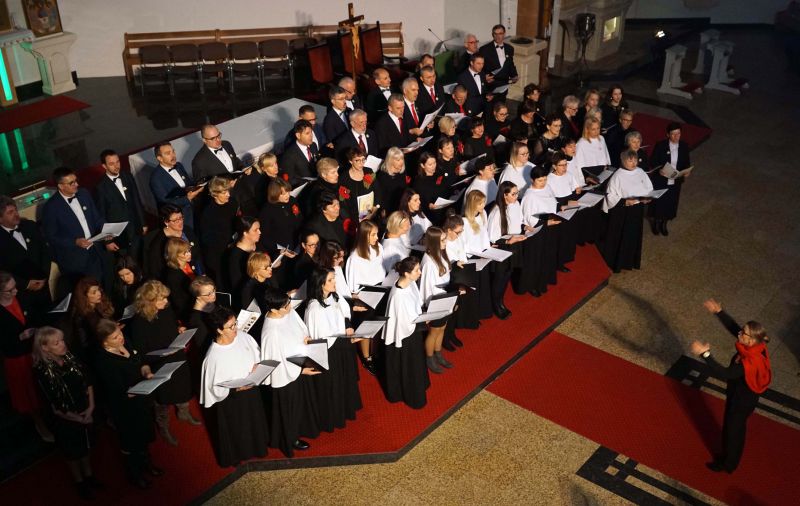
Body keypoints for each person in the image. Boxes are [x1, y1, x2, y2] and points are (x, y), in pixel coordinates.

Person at [691, 299, 772, 474]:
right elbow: (734, 328)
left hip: (742, 400)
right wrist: (719, 312)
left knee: (733, 431)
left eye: (744, 332)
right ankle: (729, 457)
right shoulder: (756, 345)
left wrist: (705, 354)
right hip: (740, 392)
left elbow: (724, 373)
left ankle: (728, 464)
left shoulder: (749, 362)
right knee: (734, 427)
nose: (739, 333)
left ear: (751, 340)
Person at [91, 319, 161, 490]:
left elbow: (140, 361)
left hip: (141, 400)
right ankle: (135, 475)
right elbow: (116, 391)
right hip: (125, 408)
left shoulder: (126, 341)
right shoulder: (103, 361)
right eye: (115, 337)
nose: (120, 338)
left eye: (120, 333)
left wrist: (147, 373)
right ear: (104, 342)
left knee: (144, 434)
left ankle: (147, 464)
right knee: (131, 442)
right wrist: (140, 388)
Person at [130, 280, 199, 446]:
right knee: (161, 399)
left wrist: (179, 330)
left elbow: (172, 325)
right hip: (158, 363)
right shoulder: (138, 321)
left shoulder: (166, 309)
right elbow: (140, 350)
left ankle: (183, 412)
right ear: (149, 301)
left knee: (183, 386)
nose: (166, 301)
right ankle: (164, 427)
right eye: (161, 299)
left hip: (177, 355)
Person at [32, 327, 98, 500]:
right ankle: (80, 482)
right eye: (57, 343)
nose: (63, 344)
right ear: (45, 347)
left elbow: (88, 381)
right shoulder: (42, 371)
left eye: (62, 340)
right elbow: (55, 406)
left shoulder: (70, 357)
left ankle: (89, 476)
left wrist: (91, 407)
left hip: (84, 411)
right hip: (65, 419)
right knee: (72, 453)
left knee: (86, 446)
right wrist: (80, 419)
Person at [200, 306, 270, 467]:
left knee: (254, 422)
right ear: (219, 330)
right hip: (232, 400)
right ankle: (237, 456)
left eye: (236, 323)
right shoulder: (213, 357)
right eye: (231, 327)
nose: (236, 328)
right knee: (238, 429)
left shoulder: (244, 337)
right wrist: (234, 388)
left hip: (251, 392)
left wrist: (258, 365)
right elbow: (213, 388)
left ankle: (258, 448)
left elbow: (258, 355)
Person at [260, 289, 321, 457]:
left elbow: (299, 328)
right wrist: (300, 370)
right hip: (287, 376)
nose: (289, 307)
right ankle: (290, 439)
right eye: (285, 306)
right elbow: (277, 362)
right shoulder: (271, 332)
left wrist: (306, 338)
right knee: (289, 411)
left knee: (301, 404)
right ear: (273, 309)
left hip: (300, 364)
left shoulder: (286, 311)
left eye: (288, 303)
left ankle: (303, 428)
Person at [304, 267, 362, 431]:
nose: (334, 282)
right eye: (330, 280)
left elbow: (344, 314)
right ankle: (334, 417)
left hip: (342, 346)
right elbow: (318, 337)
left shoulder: (334, 296)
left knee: (345, 380)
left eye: (334, 278)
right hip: (330, 352)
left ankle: (346, 410)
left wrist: (348, 327)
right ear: (320, 283)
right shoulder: (314, 308)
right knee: (333, 386)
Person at [41, 167, 115, 290]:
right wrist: (74, 242)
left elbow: (97, 218)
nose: (77, 184)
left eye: (76, 180)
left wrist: (106, 230)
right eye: (72, 183)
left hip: (95, 251)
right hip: (74, 260)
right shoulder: (51, 207)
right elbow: (51, 237)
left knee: (104, 286)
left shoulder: (84, 194)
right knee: (84, 293)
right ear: (61, 186)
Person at [0, 272, 53, 442]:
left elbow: (35, 316)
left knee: (43, 389)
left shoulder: (21, 297)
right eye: (10, 290)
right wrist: (19, 337)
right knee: (29, 397)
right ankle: (40, 424)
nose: (15, 291)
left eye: (15, 287)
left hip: (34, 351)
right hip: (17, 358)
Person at [383, 256, 430, 408]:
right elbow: (404, 324)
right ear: (407, 273)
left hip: (414, 331)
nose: (420, 273)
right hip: (406, 336)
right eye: (417, 270)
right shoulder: (398, 295)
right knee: (410, 367)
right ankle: (413, 396)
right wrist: (423, 320)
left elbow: (416, 305)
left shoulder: (410, 284)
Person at [601, 150, 653, 272]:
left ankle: (630, 261)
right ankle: (617, 264)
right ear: (623, 161)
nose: (634, 163)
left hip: (637, 210)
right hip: (622, 212)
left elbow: (649, 188)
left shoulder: (640, 172)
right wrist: (624, 202)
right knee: (621, 237)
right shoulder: (617, 176)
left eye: (635, 160)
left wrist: (647, 198)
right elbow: (610, 196)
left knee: (633, 236)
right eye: (630, 161)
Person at [345, 220, 386, 375]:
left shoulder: (378, 247)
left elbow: (382, 268)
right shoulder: (354, 257)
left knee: (378, 324)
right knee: (366, 328)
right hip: (364, 295)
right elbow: (352, 284)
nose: (377, 237)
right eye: (373, 235)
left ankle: (376, 352)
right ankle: (367, 358)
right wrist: (357, 299)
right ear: (364, 236)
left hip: (380, 289)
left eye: (377, 234)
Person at [0, 195, 52, 313]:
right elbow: (2, 271)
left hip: (43, 287)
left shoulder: (30, 225)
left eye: (16, 210)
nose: (16, 214)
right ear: (0, 219)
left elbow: (45, 251)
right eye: (10, 212)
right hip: (21, 293)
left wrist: (44, 277)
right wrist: (26, 284)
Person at [93, 149, 147, 258]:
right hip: (120, 236)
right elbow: (101, 216)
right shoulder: (101, 187)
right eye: (111, 164)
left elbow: (136, 199)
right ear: (104, 166)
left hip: (136, 229)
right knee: (125, 263)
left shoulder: (127, 176)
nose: (116, 166)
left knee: (142, 258)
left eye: (117, 162)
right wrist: (108, 241)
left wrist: (143, 223)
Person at [487, 182, 527, 318]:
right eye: (513, 194)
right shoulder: (496, 211)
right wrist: (508, 241)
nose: (516, 196)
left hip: (514, 243)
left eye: (517, 193)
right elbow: (492, 237)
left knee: (507, 274)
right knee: (499, 278)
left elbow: (519, 221)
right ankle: (496, 304)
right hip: (502, 247)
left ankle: (500, 301)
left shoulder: (516, 204)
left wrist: (525, 228)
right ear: (505, 195)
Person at [419, 227, 456, 373]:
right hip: (435, 301)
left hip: (445, 297)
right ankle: (429, 358)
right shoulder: (429, 262)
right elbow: (426, 287)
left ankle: (438, 353)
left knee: (442, 328)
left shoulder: (440, 253)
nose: (446, 241)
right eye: (442, 240)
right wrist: (429, 308)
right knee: (434, 331)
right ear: (434, 242)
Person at [649, 122, 691, 236]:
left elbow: (686, 163)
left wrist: (687, 172)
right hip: (661, 179)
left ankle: (664, 223)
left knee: (670, 203)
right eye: (673, 134)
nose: (676, 136)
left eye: (678, 133)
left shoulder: (684, 146)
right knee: (659, 202)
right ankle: (656, 222)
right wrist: (659, 170)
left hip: (675, 181)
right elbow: (653, 161)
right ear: (668, 135)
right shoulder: (661, 145)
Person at [149, 142, 202, 230]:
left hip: (194, 210)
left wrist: (197, 186)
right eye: (168, 153)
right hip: (180, 219)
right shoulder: (156, 179)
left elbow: (188, 184)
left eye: (173, 151)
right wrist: (187, 198)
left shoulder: (179, 165)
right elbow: (165, 203)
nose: (173, 155)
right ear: (160, 158)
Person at [142, 204, 203, 280]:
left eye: (181, 218)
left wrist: (202, 273)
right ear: (166, 222)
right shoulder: (159, 244)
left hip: (195, 276)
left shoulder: (187, 231)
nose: (180, 222)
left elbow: (198, 255)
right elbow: (157, 270)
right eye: (175, 220)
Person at [198, 177, 239, 283]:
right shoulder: (208, 213)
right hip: (218, 254)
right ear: (214, 194)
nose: (228, 194)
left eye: (228, 191)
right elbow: (207, 239)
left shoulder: (233, 203)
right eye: (224, 193)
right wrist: (226, 244)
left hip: (233, 247)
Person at [65, 276, 115, 364]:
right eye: (94, 292)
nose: (99, 294)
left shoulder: (100, 305)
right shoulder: (80, 317)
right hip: (98, 354)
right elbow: (85, 344)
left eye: (99, 290)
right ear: (84, 296)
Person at [257, 178, 303, 257]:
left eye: (288, 192)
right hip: (280, 252)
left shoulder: (292, 201)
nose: (287, 195)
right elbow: (264, 237)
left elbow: (300, 218)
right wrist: (279, 250)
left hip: (297, 246)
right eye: (283, 194)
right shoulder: (267, 211)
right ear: (274, 194)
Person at [338, 148, 380, 226]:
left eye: (363, 159)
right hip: (354, 219)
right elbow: (343, 202)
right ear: (350, 161)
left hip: (372, 214)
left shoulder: (369, 171)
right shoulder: (344, 178)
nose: (361, 163)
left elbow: (377, 192)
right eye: (357, 160)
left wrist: (373, 212)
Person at [224, 216, 263, 299]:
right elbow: (238, 285)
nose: (260, 232)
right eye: (256, 230)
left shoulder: (258, 245)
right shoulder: (235, 256)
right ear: (245, 233)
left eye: (259, 229)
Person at [162, 238, 196, 322]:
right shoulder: (172, 275)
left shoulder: (188, 265)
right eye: (185, 252)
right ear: (175, 254)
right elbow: (178, 301)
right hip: (188, 313)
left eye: (189, 250)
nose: (189, 254)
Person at [479, 24, 519, 92]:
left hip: (504, 84)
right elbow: (479, 67)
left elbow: (510, 64)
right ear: (492, 35)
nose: (497, 36)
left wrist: (514, 75)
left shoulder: (509, 48)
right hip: (490, 85)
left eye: (500, 33)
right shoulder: (484, 49)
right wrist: (483, 77)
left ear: (504, 34)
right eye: (495, 34)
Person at [280, 120, 320, 186]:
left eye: (311, 132)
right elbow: (290, 180)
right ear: (298, 135)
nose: (311, 136)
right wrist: (308, 182)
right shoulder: (289, 155)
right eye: (307, 133)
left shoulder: (313, 145)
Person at [236, 152, 277, 216]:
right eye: (272, 165)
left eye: (276, 163)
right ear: (264, 168)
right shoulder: (258, 180)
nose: (276, 167)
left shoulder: (276, 174)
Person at [374, 147, 408, 213]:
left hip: (402, 207)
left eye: (402, 159)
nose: (401, 162)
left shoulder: (402, 172)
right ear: (390, 160)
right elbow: (381, 198)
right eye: (398, 160)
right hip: (389, 210)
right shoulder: (382, 176)